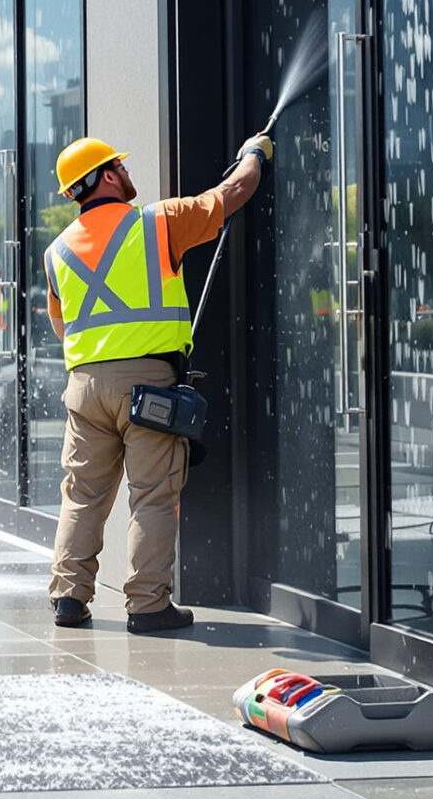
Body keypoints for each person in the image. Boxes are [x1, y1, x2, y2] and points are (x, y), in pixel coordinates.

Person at [45, 134, 269, 634]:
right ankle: (147, 606)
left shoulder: (56, 251)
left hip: (83, 386)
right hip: (147, 385)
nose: (127, 173)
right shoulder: (156, 221)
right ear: (107, 176)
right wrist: (255, 152)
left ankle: (68, 598)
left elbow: (63, 327)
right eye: (120, 167)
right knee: (152, 495)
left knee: (82, 494)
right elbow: (234, 192)